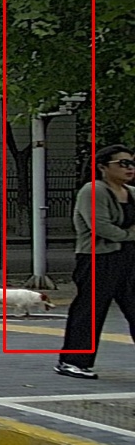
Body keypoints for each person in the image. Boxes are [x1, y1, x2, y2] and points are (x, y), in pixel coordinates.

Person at [55, 144, 135, 379]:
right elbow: (100, 227)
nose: (129, 168)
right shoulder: (93, 191)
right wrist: (130, 234)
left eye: (132, 163)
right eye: (122, 163)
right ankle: (72, 361)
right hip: (98, 259)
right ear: (103, 167)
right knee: (90, 310)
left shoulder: (131, 192)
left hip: (129, 258)